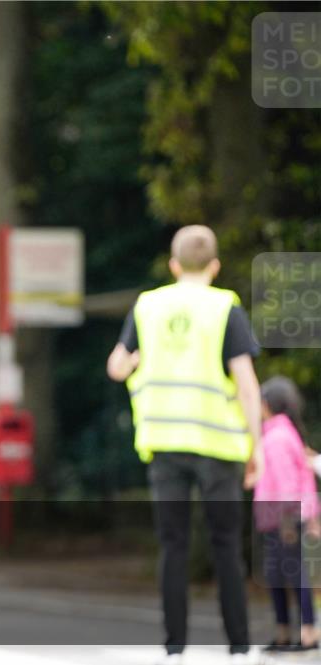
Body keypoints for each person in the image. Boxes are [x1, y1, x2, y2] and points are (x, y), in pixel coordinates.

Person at [106, 224, 261, 665]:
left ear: (173, 265)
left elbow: (117, 365)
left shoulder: (148, 306)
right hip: (218, 445)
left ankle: (174, 648)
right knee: (226, 545)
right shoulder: (224, 307)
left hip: (163, 441)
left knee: (172, 545)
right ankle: (239, 648)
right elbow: (247, 386)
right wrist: (256, 447)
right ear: (214, 265)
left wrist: (135, 361)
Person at [254, 376, 319, 652]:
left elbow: (287, 483)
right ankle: (288, 632)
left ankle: (305, 632)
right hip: (284, 516)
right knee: (281, 574)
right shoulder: (284, 433)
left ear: (266, 404)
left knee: (291, 574)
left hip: (283, 518)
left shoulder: (277, 437)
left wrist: (287, 520)